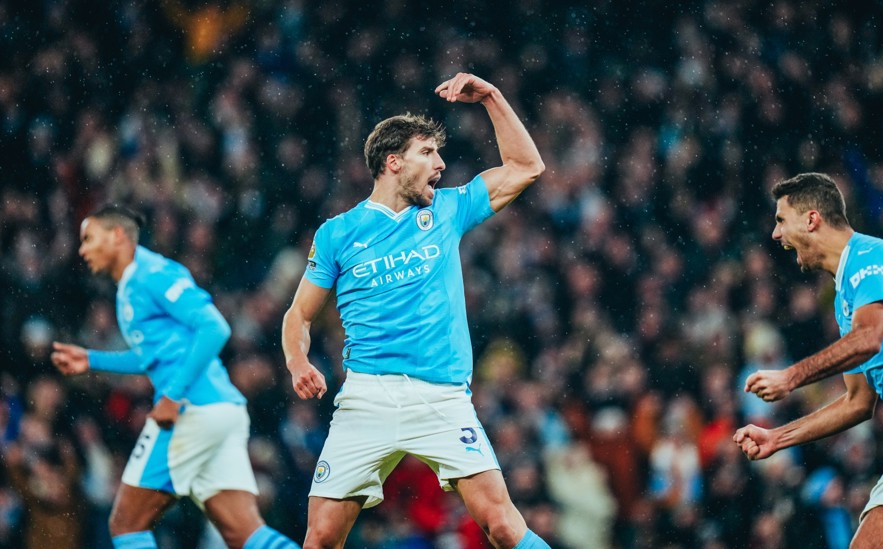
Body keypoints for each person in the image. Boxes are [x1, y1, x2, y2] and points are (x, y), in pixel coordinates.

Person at [281, 72, 549, 549]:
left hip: (441, 397)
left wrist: (491, 97)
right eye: (427, 153)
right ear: (393, 162)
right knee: (320, 539)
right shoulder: (337, 234)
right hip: (366, 397)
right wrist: (298, 362)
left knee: (505, 527)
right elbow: (298, 316)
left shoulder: (448, 209)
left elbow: (527, 167)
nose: (441, 164)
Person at [733, 172, 883, 548]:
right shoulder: (844, 298)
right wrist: (777, 438)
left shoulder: (871, 258)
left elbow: (869, 338)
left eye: (781, 220)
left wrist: (791, 378)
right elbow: (858, 404)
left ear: (811, 219)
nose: (775, 234)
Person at [50, 204, 298, 549]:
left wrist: (172, 396)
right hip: (218, 410)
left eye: (89, 238)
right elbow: (152, 358)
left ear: (117, 236)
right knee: (245, 534)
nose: (82, 249)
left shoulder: (153, 273)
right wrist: (91, 359)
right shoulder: (128, 287)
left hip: (190, 411)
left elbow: (214, 327)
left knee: (126, 524)